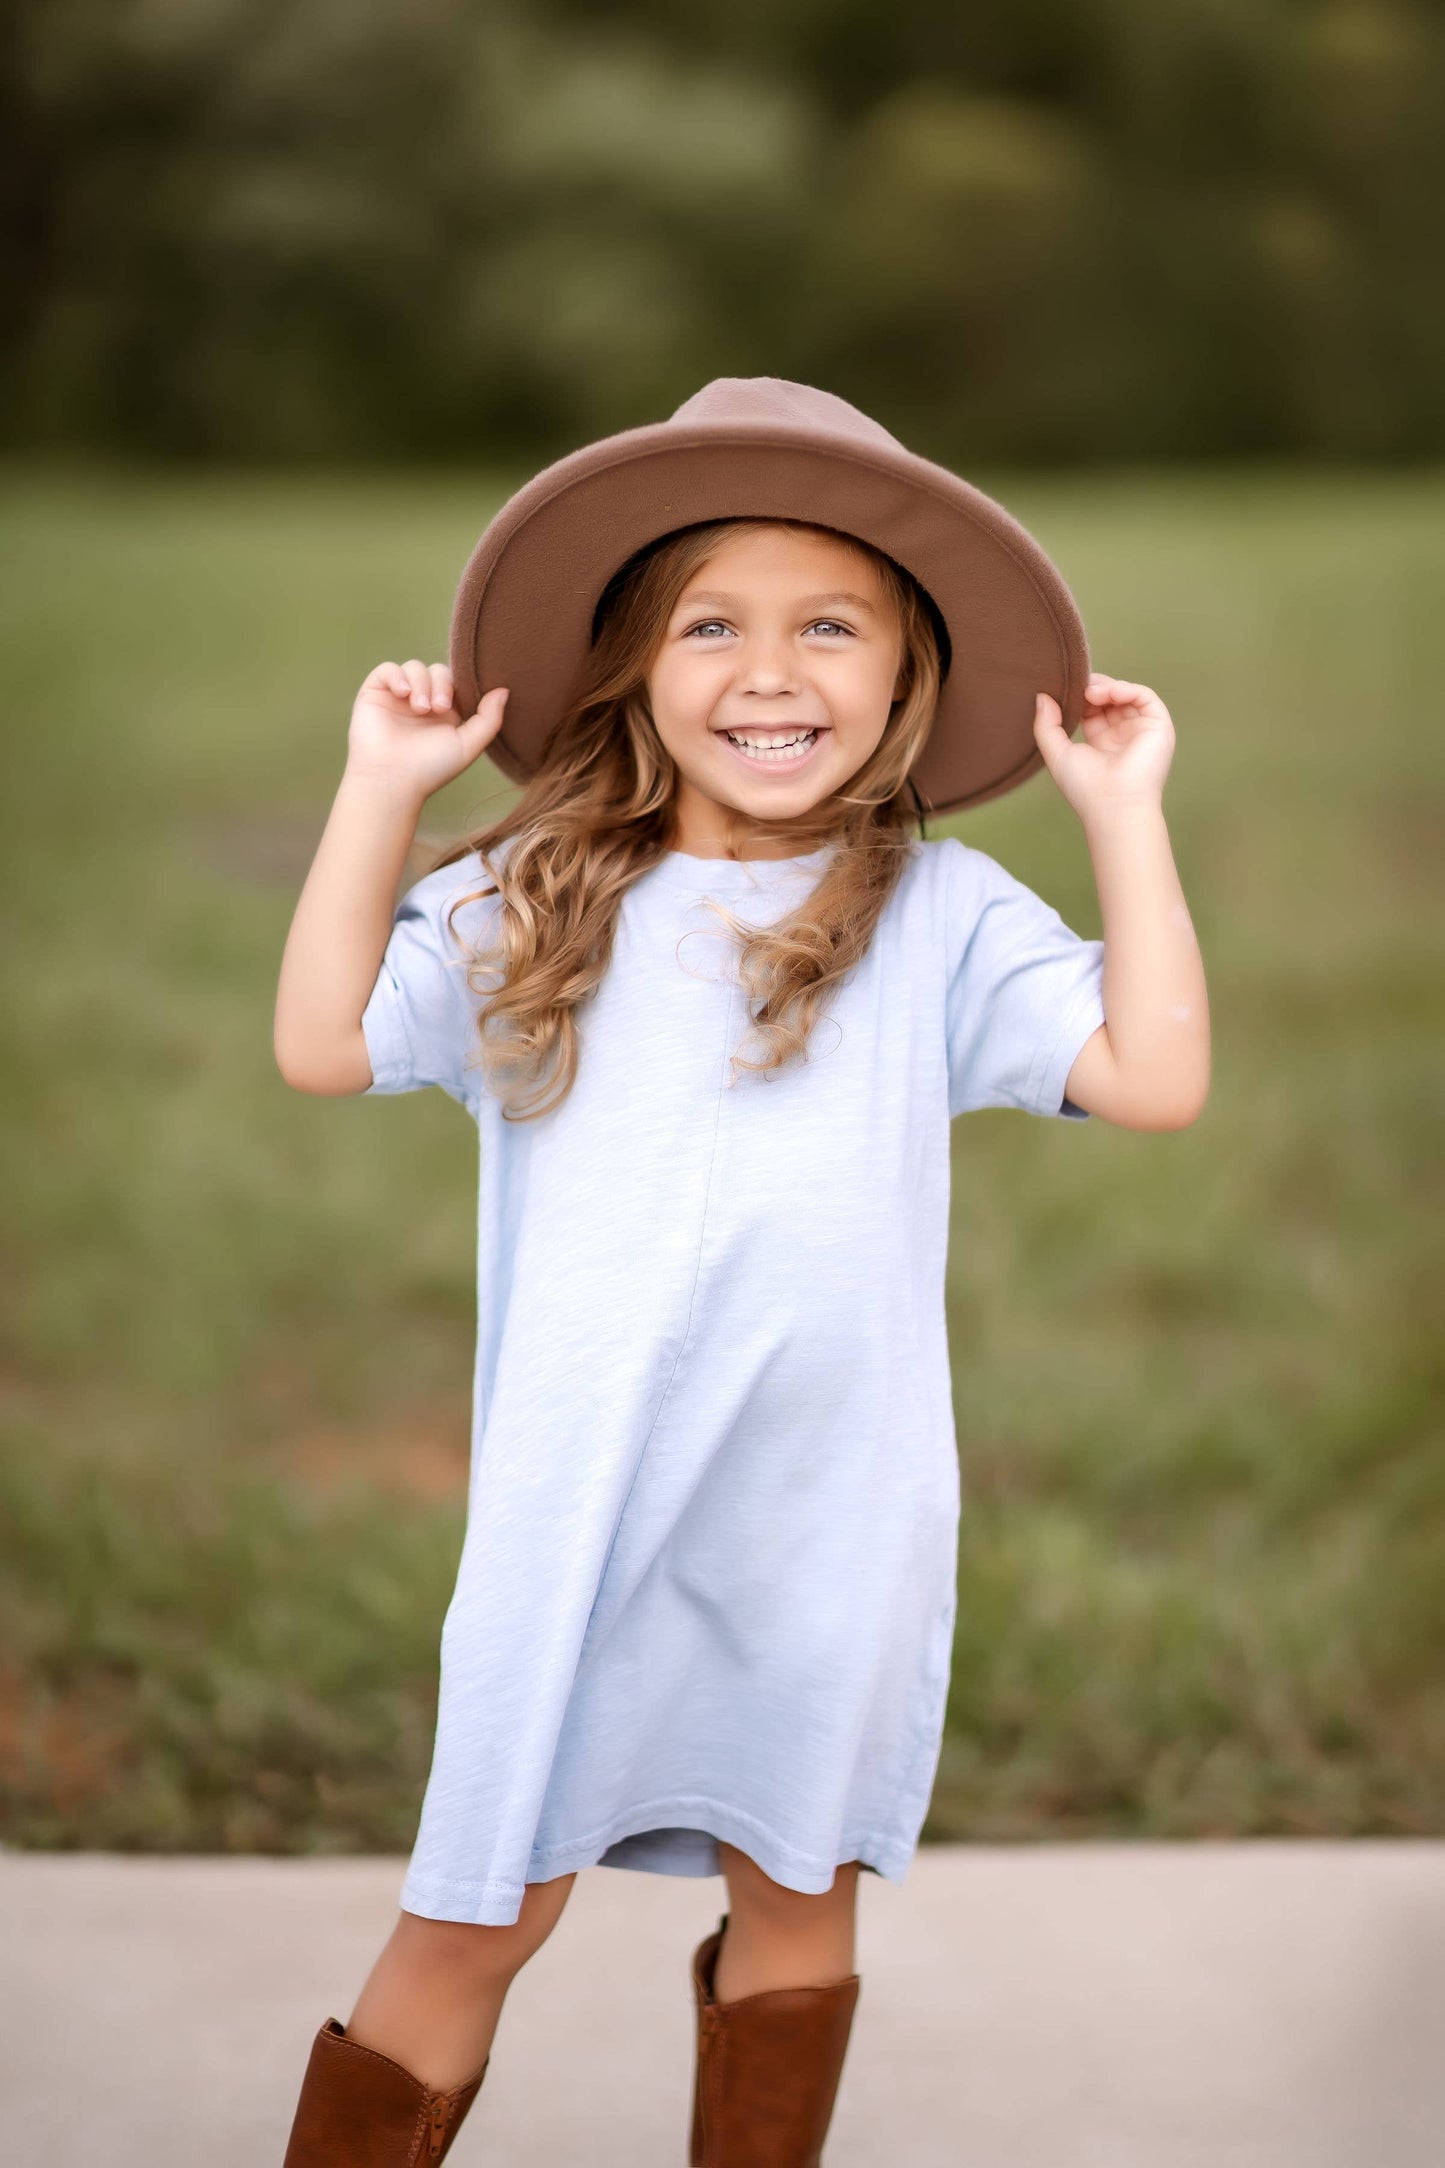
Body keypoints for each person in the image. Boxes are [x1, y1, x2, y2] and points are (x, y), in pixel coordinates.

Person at [272, 377, 1210, 2166]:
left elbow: (1152, 1079)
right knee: (475, 1916)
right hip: (582, 1508)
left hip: (821, 1520)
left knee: (795, 1897)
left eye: (828, 626)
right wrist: (378, 790)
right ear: (633, 665)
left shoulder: (935, 916)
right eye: (711, 624)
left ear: (906, 670)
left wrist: (1123, 812)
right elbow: (323, 1043)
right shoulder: (538, 894)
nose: (768, 673)